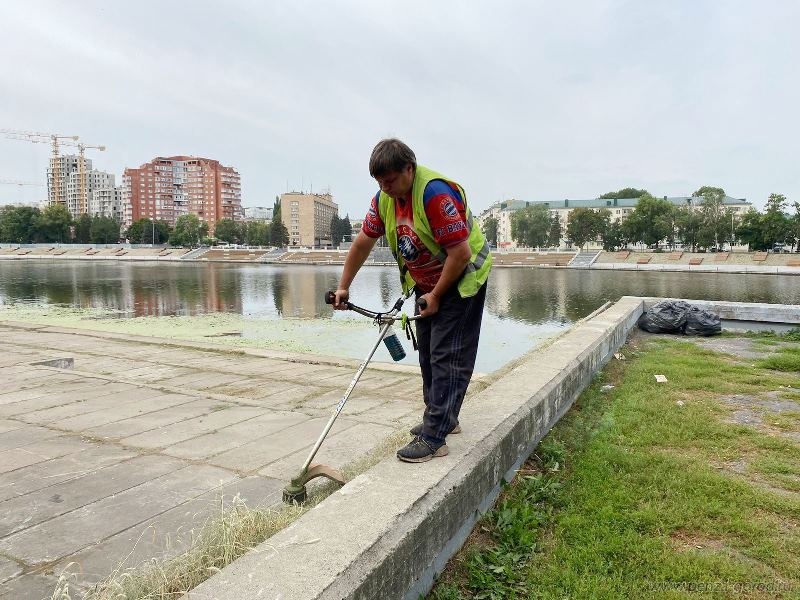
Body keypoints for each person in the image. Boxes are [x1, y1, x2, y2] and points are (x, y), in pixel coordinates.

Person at [333, 138, 492, 463]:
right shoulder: (384, 200)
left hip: (462, 276)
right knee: (428, 354)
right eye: (379, 183)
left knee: (448, 354)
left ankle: (435, 436)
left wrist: (435, 295)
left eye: (390, 180)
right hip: (428, 281)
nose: (385, 188)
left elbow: (460, 253)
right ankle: (442, 416)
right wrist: (344, 286)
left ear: (409, 168)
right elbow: (363, 243)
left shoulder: (434, 194)